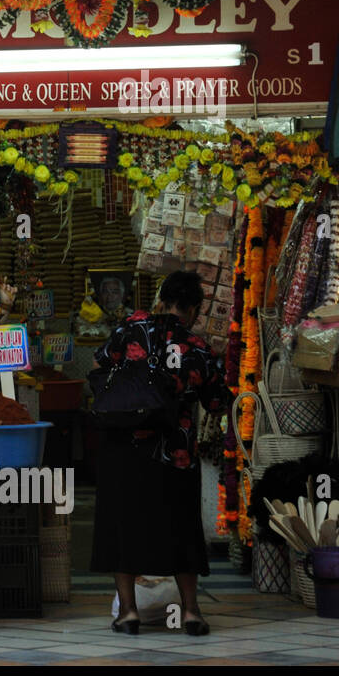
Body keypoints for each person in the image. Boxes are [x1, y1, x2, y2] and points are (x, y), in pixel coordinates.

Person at [91, 270, 231, 636]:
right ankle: (190, 613)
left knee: (124, 527)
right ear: (196, 309)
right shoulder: (198, 348)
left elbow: (99, 366)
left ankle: (129, 614)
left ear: (160, 300)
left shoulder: (128, 331)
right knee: (182, 528)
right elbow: (217, 402)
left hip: (126, 448)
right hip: (176, 453)